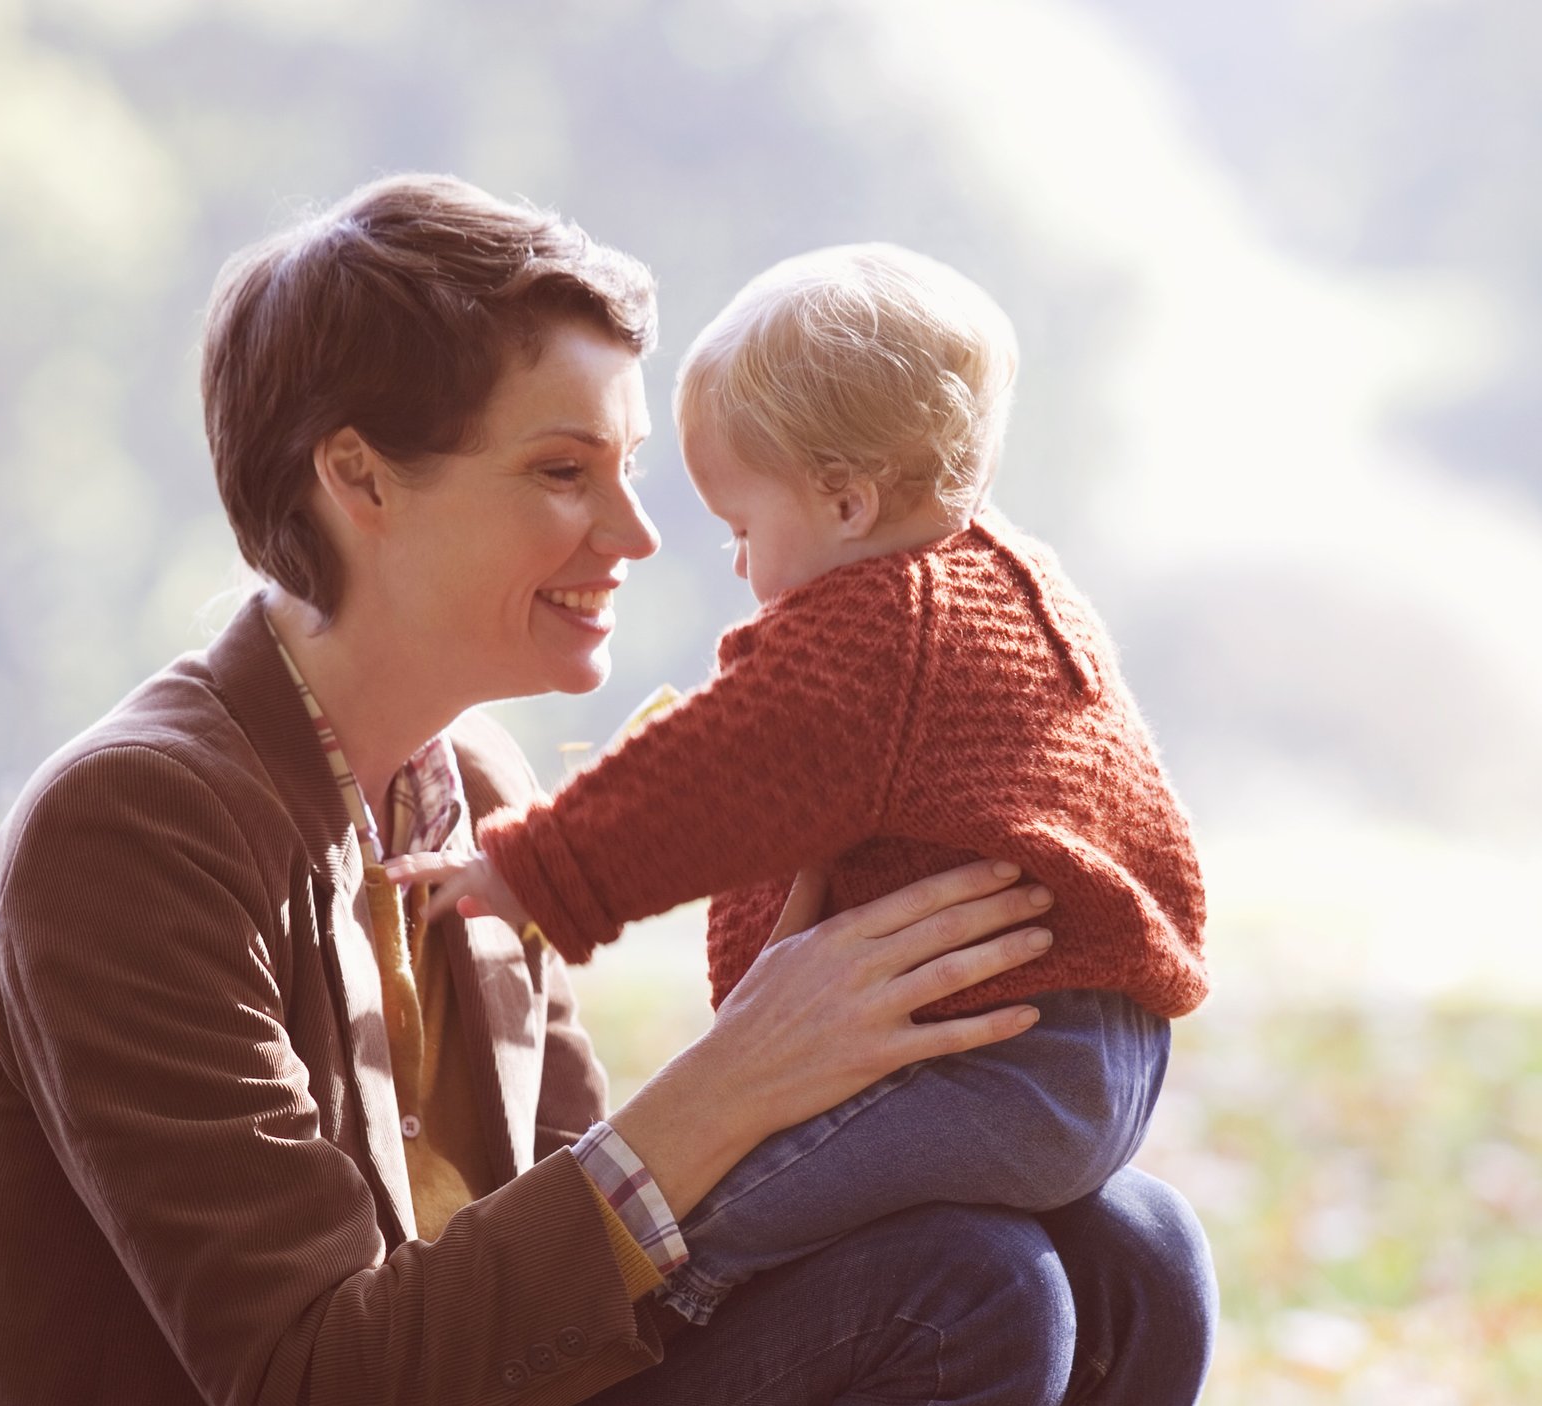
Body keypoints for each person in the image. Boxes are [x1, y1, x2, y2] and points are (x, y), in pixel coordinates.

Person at [0, 175, 1215, 1406]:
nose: (641, 539)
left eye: (632, 473)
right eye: (562, 476)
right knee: (967, 1297)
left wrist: (848, 1067)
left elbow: (614, 1308)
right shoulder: (133, 835)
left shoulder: (472, 794)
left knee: (1126, 1253)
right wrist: (731, 1089)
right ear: (359, 479)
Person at [388, 243, 1206, 1333]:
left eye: (743, 528)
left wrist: (530, 867)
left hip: (990, 1066)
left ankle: (665, 1322)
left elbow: (707, 780)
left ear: (846, 502)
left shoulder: (876, 629)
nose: (736, 566)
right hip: (1096, 1056)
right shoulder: (1006, 578)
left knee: (723, 1206)